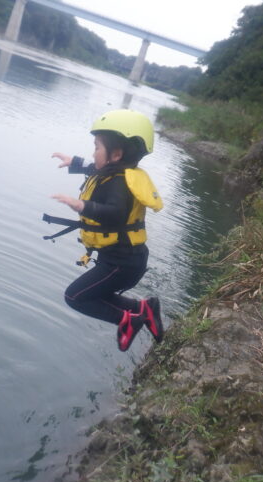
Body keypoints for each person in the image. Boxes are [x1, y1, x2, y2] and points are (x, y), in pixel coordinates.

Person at [43, 108, 165, 351]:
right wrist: (74, 162)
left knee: (75, 297)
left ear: (116, 154)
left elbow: (116, 214)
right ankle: (144, 309)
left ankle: (130, 320)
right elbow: (96, 167)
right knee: (94, 295)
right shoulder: (116, 173)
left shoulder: (120, 183)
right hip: (122, 259)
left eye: (97, 146)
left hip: (123, 263)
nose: (93, 152)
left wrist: (81, 205)